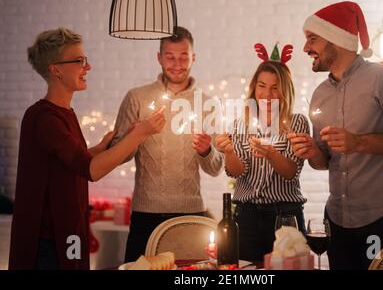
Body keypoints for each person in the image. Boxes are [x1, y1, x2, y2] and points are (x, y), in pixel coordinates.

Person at [289, 1, 383, 269]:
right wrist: (313, 152)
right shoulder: (320, 94)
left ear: (336, 40)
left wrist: (359, 141)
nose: (306, 48)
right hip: (337, 221)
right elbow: (324, 161)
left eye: (312, 39)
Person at [9, 27, 166, 270]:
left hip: (65, 233)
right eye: (79, 60)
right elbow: (91, 171)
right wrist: (140, 134)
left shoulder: (63, 114)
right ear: (56, 69)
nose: (88, 67)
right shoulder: (44, 117)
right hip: (49, 244)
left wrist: (101, 147)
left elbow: (72, 164)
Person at [111, 26, 223, 263]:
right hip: (145, 213)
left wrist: (206, 150)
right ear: (159, 57)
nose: (177, 64)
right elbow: (117, 156)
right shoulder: (137, 98)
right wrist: (137, 135)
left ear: (193, 57)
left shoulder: (208, 104)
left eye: (184, 57)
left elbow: (215, 168)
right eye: (170, 57)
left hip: (190, 213)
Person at [216, 44, 309, 262]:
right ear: (254, 88)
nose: (267, 94)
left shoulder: (297, 123)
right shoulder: (241, 125)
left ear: (285, 90)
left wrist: (271, 154)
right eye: (262, 86)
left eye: (275, 87)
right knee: (248, 271)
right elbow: (237, 172)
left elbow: (291, 172)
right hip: (246, 217)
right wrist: (229, 152)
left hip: (285, 216)